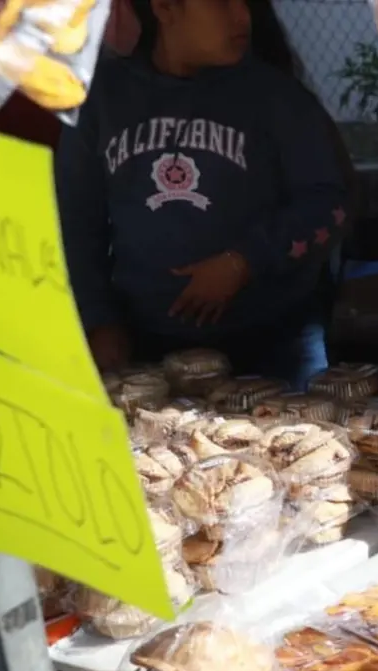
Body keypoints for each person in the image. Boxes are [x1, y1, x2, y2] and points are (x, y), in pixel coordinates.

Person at [55, 0, 348, 389]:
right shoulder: (103, 100)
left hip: (274, 347)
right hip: (145, 344)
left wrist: (243, 261)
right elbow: (74, 220)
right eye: (221, 3)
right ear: (164, 7)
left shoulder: (278, 98)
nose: (242, 15)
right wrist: (98, 319)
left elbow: (332, 202)